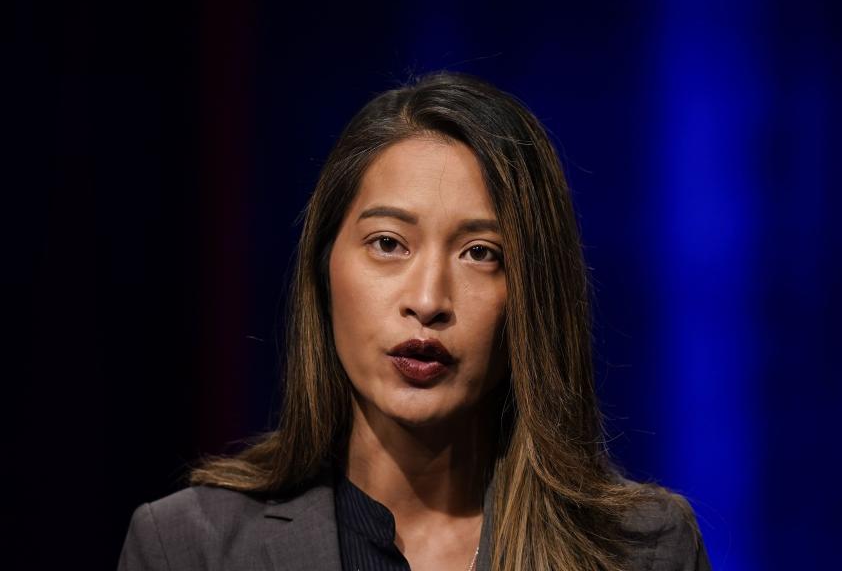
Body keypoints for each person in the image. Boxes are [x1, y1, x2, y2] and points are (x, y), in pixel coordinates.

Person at [118, 72, 711, 571]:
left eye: (482, 253)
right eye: (387, 243)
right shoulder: (190, 547)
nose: (428, 299)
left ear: (534, 296)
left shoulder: (644, 550)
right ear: (324, 270)